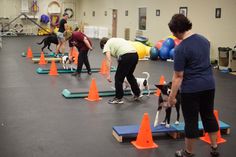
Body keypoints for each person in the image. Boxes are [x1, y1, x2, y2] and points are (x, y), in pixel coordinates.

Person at [167, 14, 219, 157]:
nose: (173, 35)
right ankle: (214, 147)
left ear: (177, 31)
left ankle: (188, 152)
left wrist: (171, 97)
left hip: (191, 89)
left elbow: (178, 76)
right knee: (208, 115)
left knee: (191, 120)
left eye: (173, 32)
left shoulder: (180, 49)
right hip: (209, 85)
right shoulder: (204, 40)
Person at [100, 37, 140, 104]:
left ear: (103, 44)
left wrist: (108, 74)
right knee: (129, 75)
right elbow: (119, 57)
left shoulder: (106, 45)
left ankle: (118, 98)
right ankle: (137, 93)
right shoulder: (116, 40)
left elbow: (108, 60)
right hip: (135, 55)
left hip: (126, 56)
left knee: (118, 78)